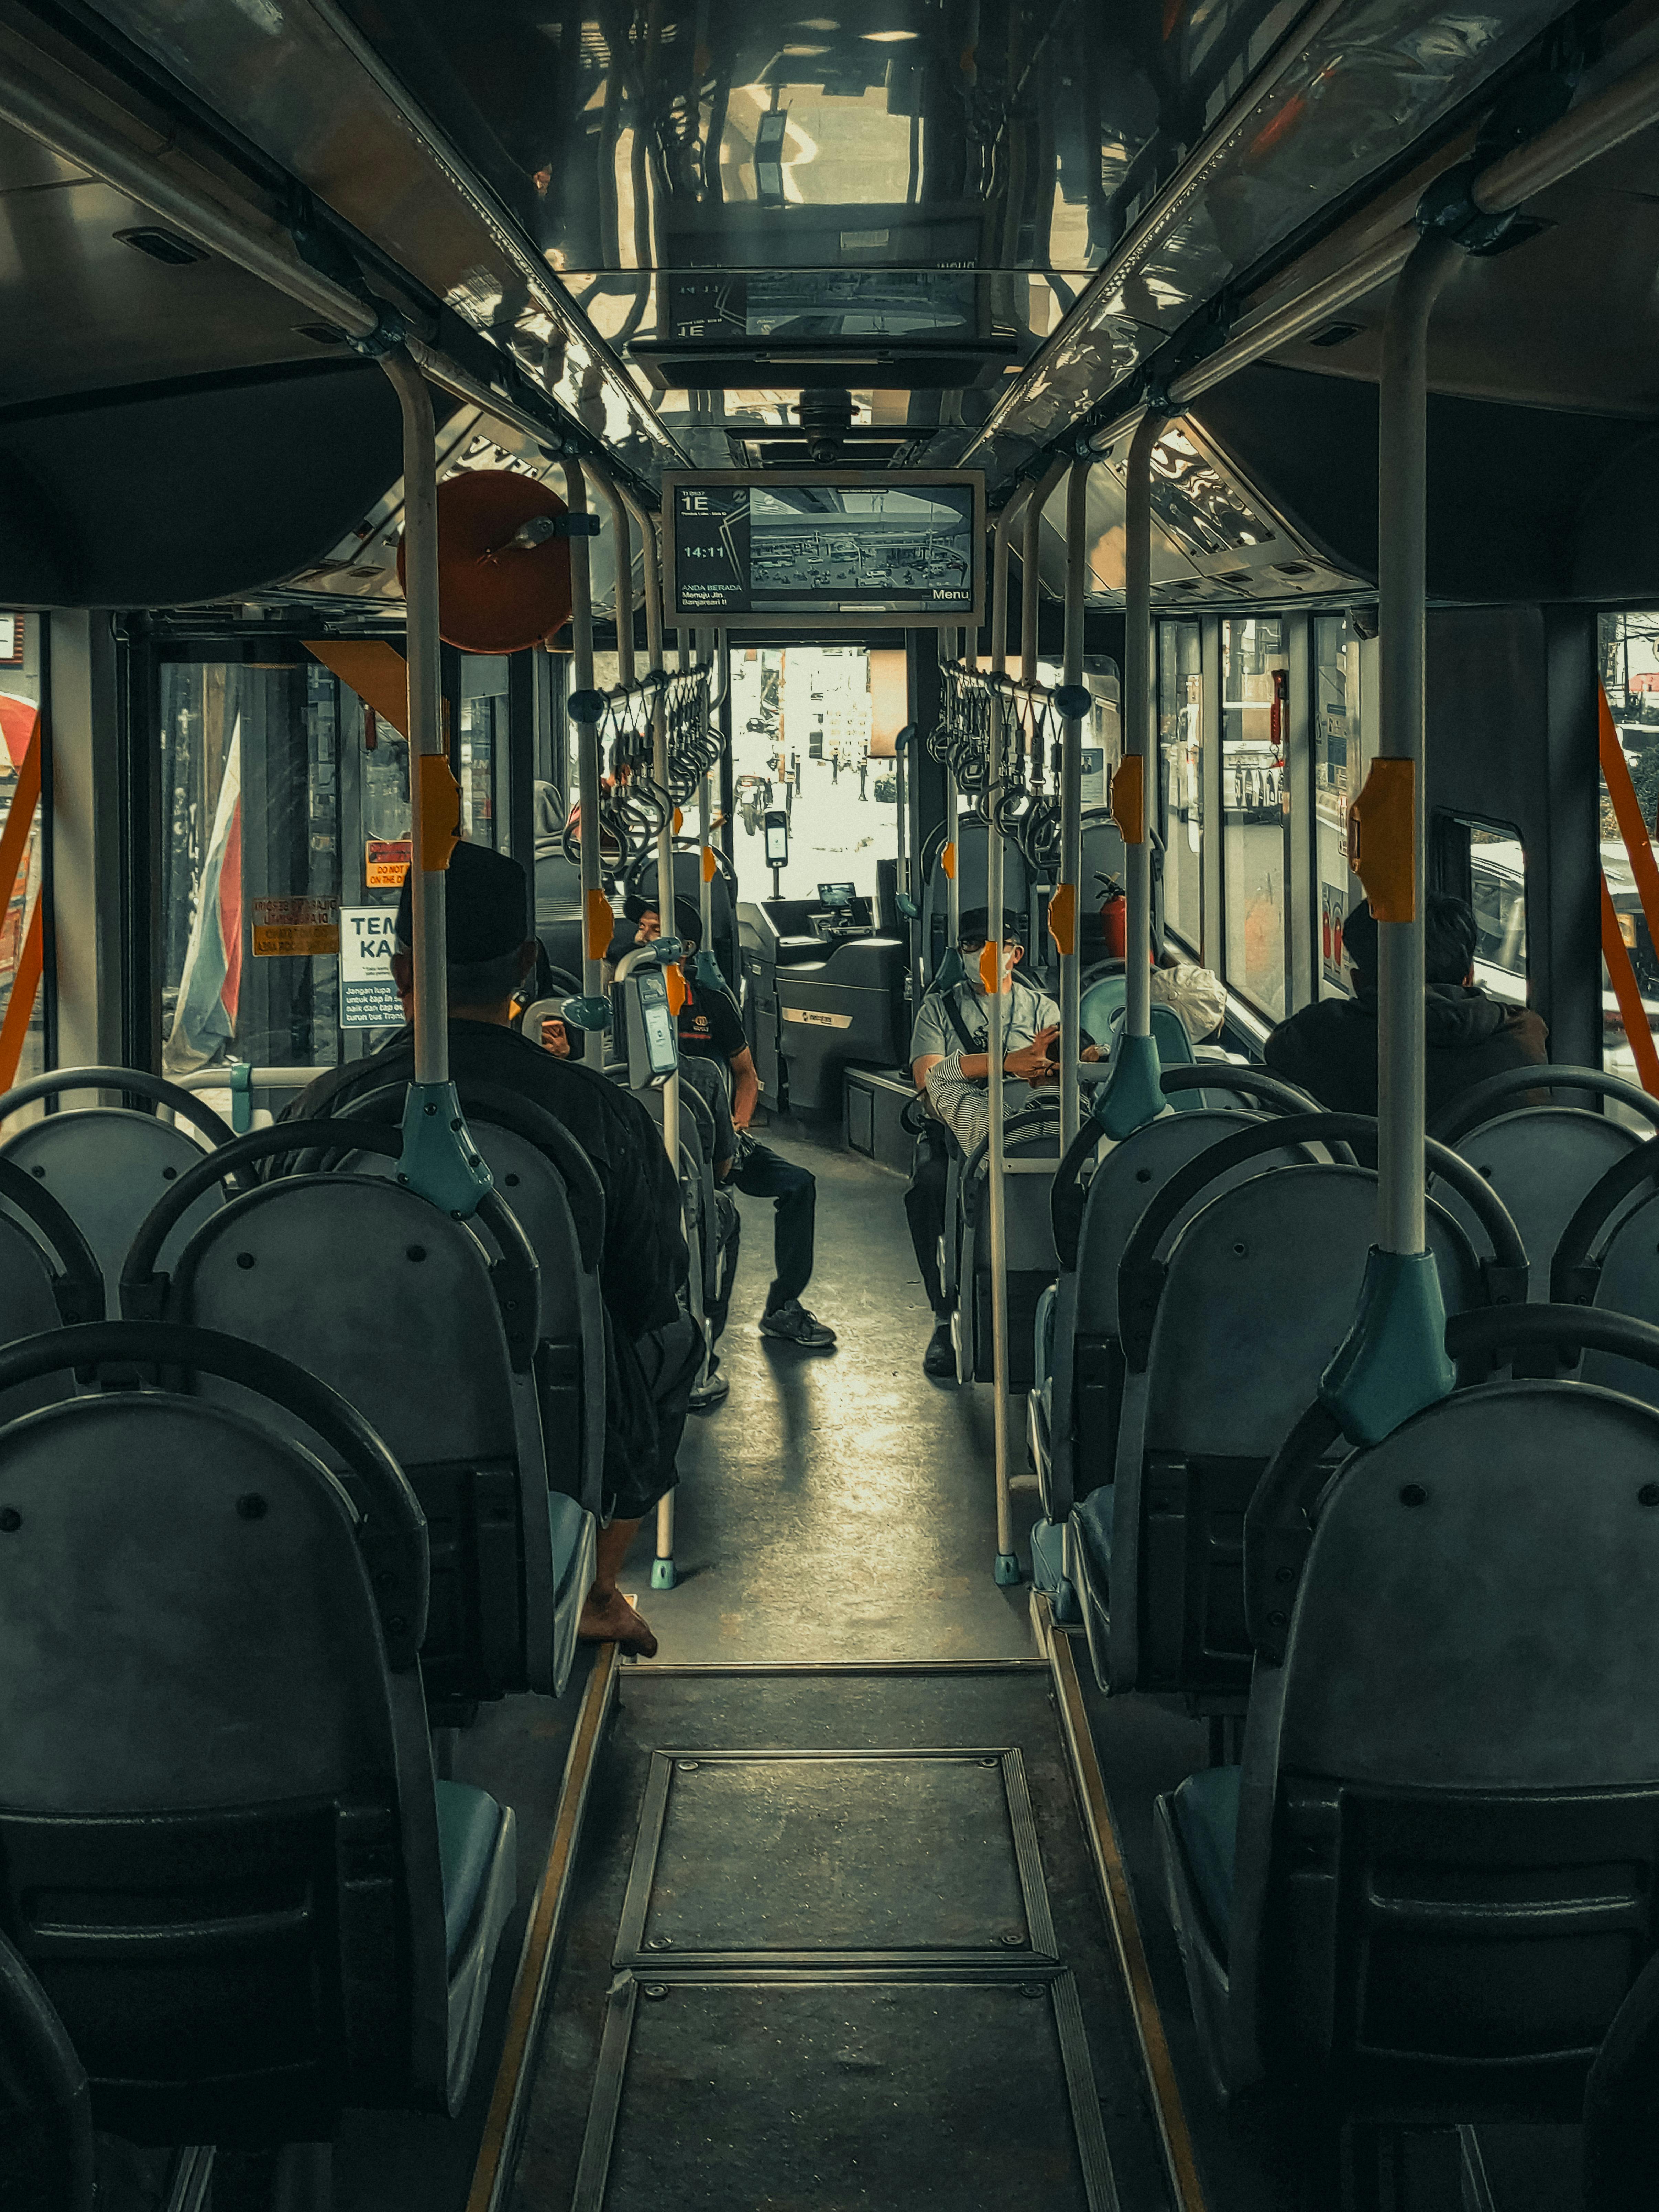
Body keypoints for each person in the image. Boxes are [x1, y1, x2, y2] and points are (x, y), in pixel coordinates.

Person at [283, 841, 696, 1659]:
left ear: (402, 971)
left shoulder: (323, 1111)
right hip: (552, 1401)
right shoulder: (601, 1113)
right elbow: (650, 1291)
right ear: (527, 966)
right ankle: (598, 1589)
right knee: (672, 1342)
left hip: (349, 1393)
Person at [629, 894, 838, 1351]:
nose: (639, 938)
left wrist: (739, 1124)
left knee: (797, 1184)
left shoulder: (711, 1006)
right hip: (644, 1136)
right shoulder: (624, 998)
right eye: (641, 929)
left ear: (680, 948)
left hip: (713, 1135)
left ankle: (783, 1307)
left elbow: (746, 1076)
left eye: (649, 929)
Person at [907, 908, 1060, 1377]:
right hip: (961, 1128)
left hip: (1034, 1120)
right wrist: (1010, 1062)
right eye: (967, 946)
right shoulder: (937, 1009)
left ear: (1014, 953)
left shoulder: (1042, 1009)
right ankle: (942, 1310)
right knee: (930, 1187)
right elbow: (928, 1081)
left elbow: (1055, 1068)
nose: (975, 955)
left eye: (987, 945)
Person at [1263, 893, 1549, 1115]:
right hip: (1508, 1191)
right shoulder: (1525, 1030)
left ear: (1358, 981)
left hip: (1374, 1190)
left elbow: (1276, 1050)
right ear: (1469, 976)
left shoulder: (1327, 1030)